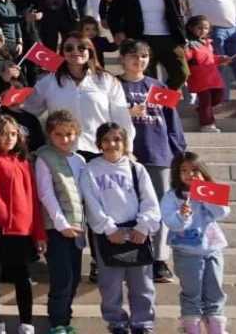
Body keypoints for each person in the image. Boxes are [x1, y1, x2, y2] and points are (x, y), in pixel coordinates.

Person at [116, 39, 187, 284]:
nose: (139, 60)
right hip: (123, 156)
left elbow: (173, 124)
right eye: (134, 56)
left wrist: (180, 153)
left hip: (158, 154)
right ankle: (124, 256)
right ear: (123, 57)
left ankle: (158, 260)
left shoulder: (158, 86)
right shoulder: (113, 85)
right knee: (125, 208)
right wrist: (127, 113)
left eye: (144, 56)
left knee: (158, 208)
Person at [80, 123, 161, 334]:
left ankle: (142, 324)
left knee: (142, 285)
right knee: (110, 286)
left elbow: (149, 200)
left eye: (116, 139)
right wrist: (108, 229)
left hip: (137, 233)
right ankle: (116, 324)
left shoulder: (136, 168)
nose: (111, 144)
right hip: (108, 236)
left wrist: (143, 226)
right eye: (106, 140)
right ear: (98, 143)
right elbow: (92, 203)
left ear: (124, 143)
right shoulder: (90, 170)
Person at [0, 109, 45, 334]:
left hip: (21, 230)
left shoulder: (24, 163)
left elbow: (34, 199)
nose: (8, 138)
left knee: (22, 277)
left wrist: (39, 233)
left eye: (13, 134)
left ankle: (26, 323)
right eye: (3, 134)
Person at [23, 33, 134, 159]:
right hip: (62, 154)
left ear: (90, 51)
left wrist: (127, 149)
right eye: (69, 48)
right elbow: (29, 113)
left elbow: (121, 117)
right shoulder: (48, 82)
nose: (75, 51)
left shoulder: (108, 81)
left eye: (81, 48)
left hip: (100, 153)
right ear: (62, 52)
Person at [162, 152, 231, 334]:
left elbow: (222, 212)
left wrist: (206, 196)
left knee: (215, 291)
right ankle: (191, 328)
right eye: (183, 170)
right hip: (186, 252)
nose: (189, 175)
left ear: (202, 171)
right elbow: (171, 223)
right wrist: (182, 215)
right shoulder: (172, 196)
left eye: (194, 170)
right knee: (192, 294)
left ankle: (216, 328)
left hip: (212, 249)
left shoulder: (209, 191)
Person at [34, 110, 88, 334]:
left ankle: (67, 319)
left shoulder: (80, 160)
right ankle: (57, 323)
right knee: (62, 279)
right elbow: (46, 194)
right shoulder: (44, 157)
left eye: (69, 134)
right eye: (59, 135)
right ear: (50, 134)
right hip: (57, 229)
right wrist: (61, 224)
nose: (65, 139)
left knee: (74, 278)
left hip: (77, 229)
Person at [107, 0, 189, 90]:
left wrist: (183, 37)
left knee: (181, 74)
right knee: (147, 77)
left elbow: (177, 16)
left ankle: (160, 100)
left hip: (168, 39)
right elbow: (114, 13)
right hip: (140, 38)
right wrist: (117, 32)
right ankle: (151, 107)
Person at [184, 16, 229, 132]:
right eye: (199, 28)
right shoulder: (190, 44)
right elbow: (187, 57)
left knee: (219, 97)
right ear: (191, 28)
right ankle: (207, 124)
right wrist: (185, 49)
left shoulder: (208, 43)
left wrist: (221, 59)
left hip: (213, 76)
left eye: (206, 28)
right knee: (206, 101)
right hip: (200, 77)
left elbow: (211, 58)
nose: (203, 31)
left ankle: (203, 111)